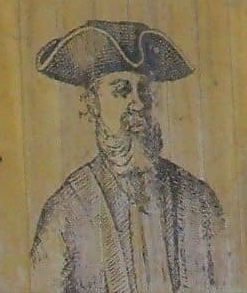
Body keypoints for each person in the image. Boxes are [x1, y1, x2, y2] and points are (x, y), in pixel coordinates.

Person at [29, 19, 231, 292]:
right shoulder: (65, 212)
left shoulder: (199, 200)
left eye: (143, 90)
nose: (137, 104)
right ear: (92, 103)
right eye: (121, 90)